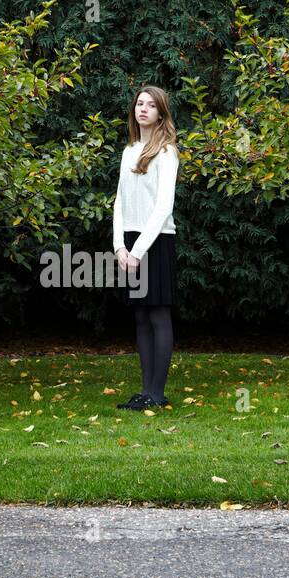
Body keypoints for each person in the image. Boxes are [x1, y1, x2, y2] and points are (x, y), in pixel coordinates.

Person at [112, 84, 179, 411]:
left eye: (151, 105)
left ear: (160, 113)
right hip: (129, 243)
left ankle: (157, 392)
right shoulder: (128, 152)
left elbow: (163, 207)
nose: (144, 109)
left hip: (156, 241)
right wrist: (119, 246)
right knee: (140, 316)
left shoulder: (167, 153)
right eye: (140, 103)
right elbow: (119, 202)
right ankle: (146, 391)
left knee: (157, 313)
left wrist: (138, 251)